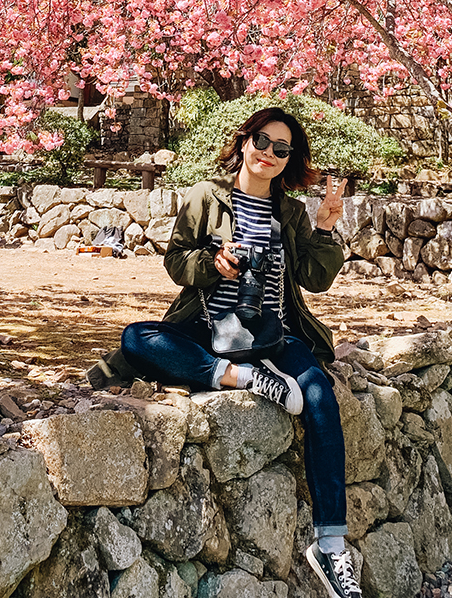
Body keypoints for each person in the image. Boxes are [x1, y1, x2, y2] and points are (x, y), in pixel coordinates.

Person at [117, 107, 360, 598]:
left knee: (318, 391)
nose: (269, 154)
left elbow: (315, 279)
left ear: (289, 159)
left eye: (282, 149)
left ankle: (332, 545)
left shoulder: (289, 212)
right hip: (209, 332)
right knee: (135, 338)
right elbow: (176, 261)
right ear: (244, 141)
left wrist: (325, 229)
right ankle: (238, 378)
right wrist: (214, 262)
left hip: (274, 334)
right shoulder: (208, 196)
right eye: (262, 142)